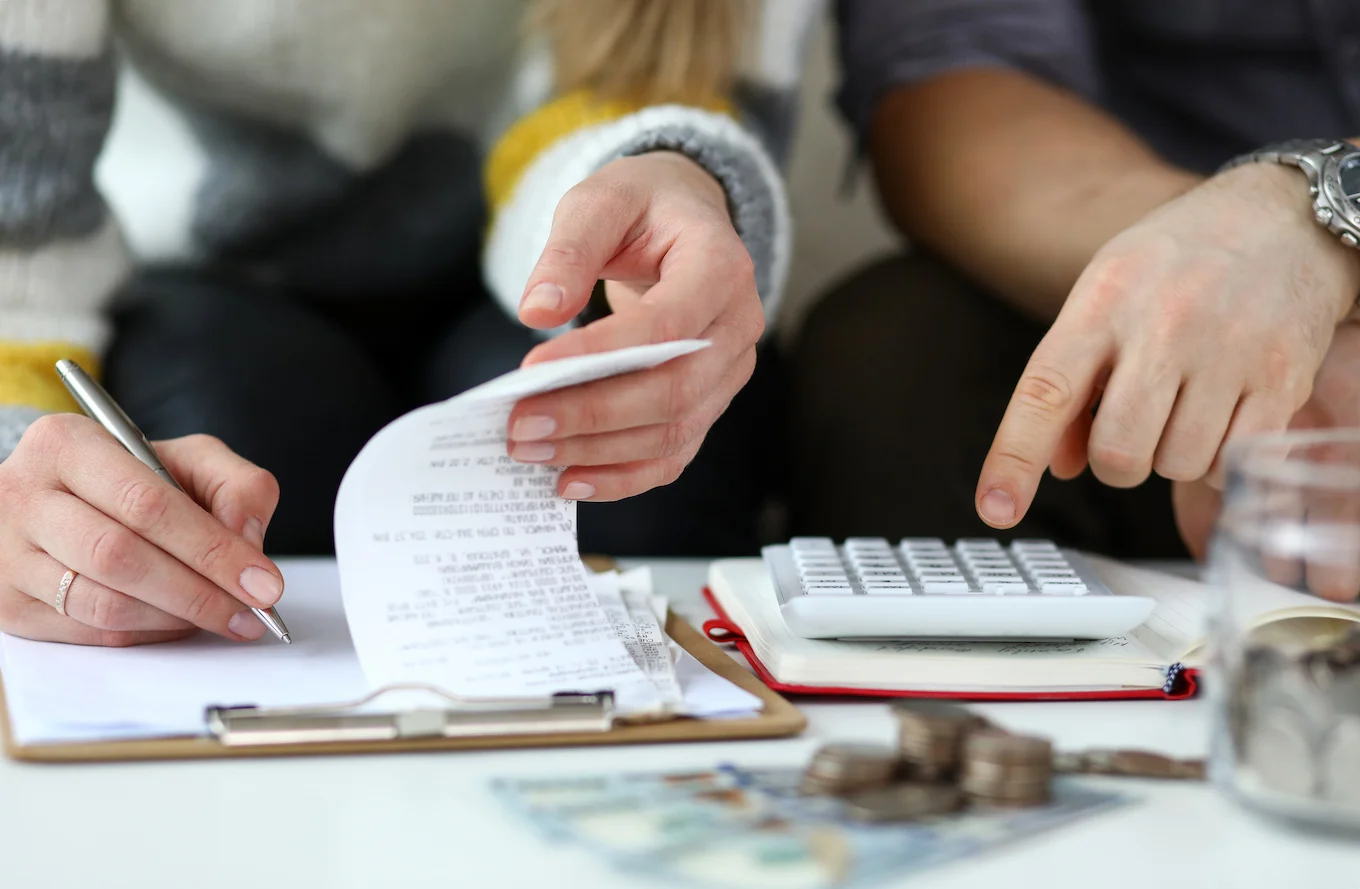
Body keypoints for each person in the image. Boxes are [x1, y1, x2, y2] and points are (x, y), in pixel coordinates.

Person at [0, 0, 820, 647]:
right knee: (222, 440)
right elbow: (20, 215)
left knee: (621, 458)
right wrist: (15, 461)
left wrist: (673, 179)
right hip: (211, 278)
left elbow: (658, 88)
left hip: (545, 253)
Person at [793, 0, 1360, 568]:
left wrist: (1317, 265)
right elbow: (956, 84)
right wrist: (1230, 274)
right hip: (1118, 223)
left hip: (1274, 303)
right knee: (903, 343)